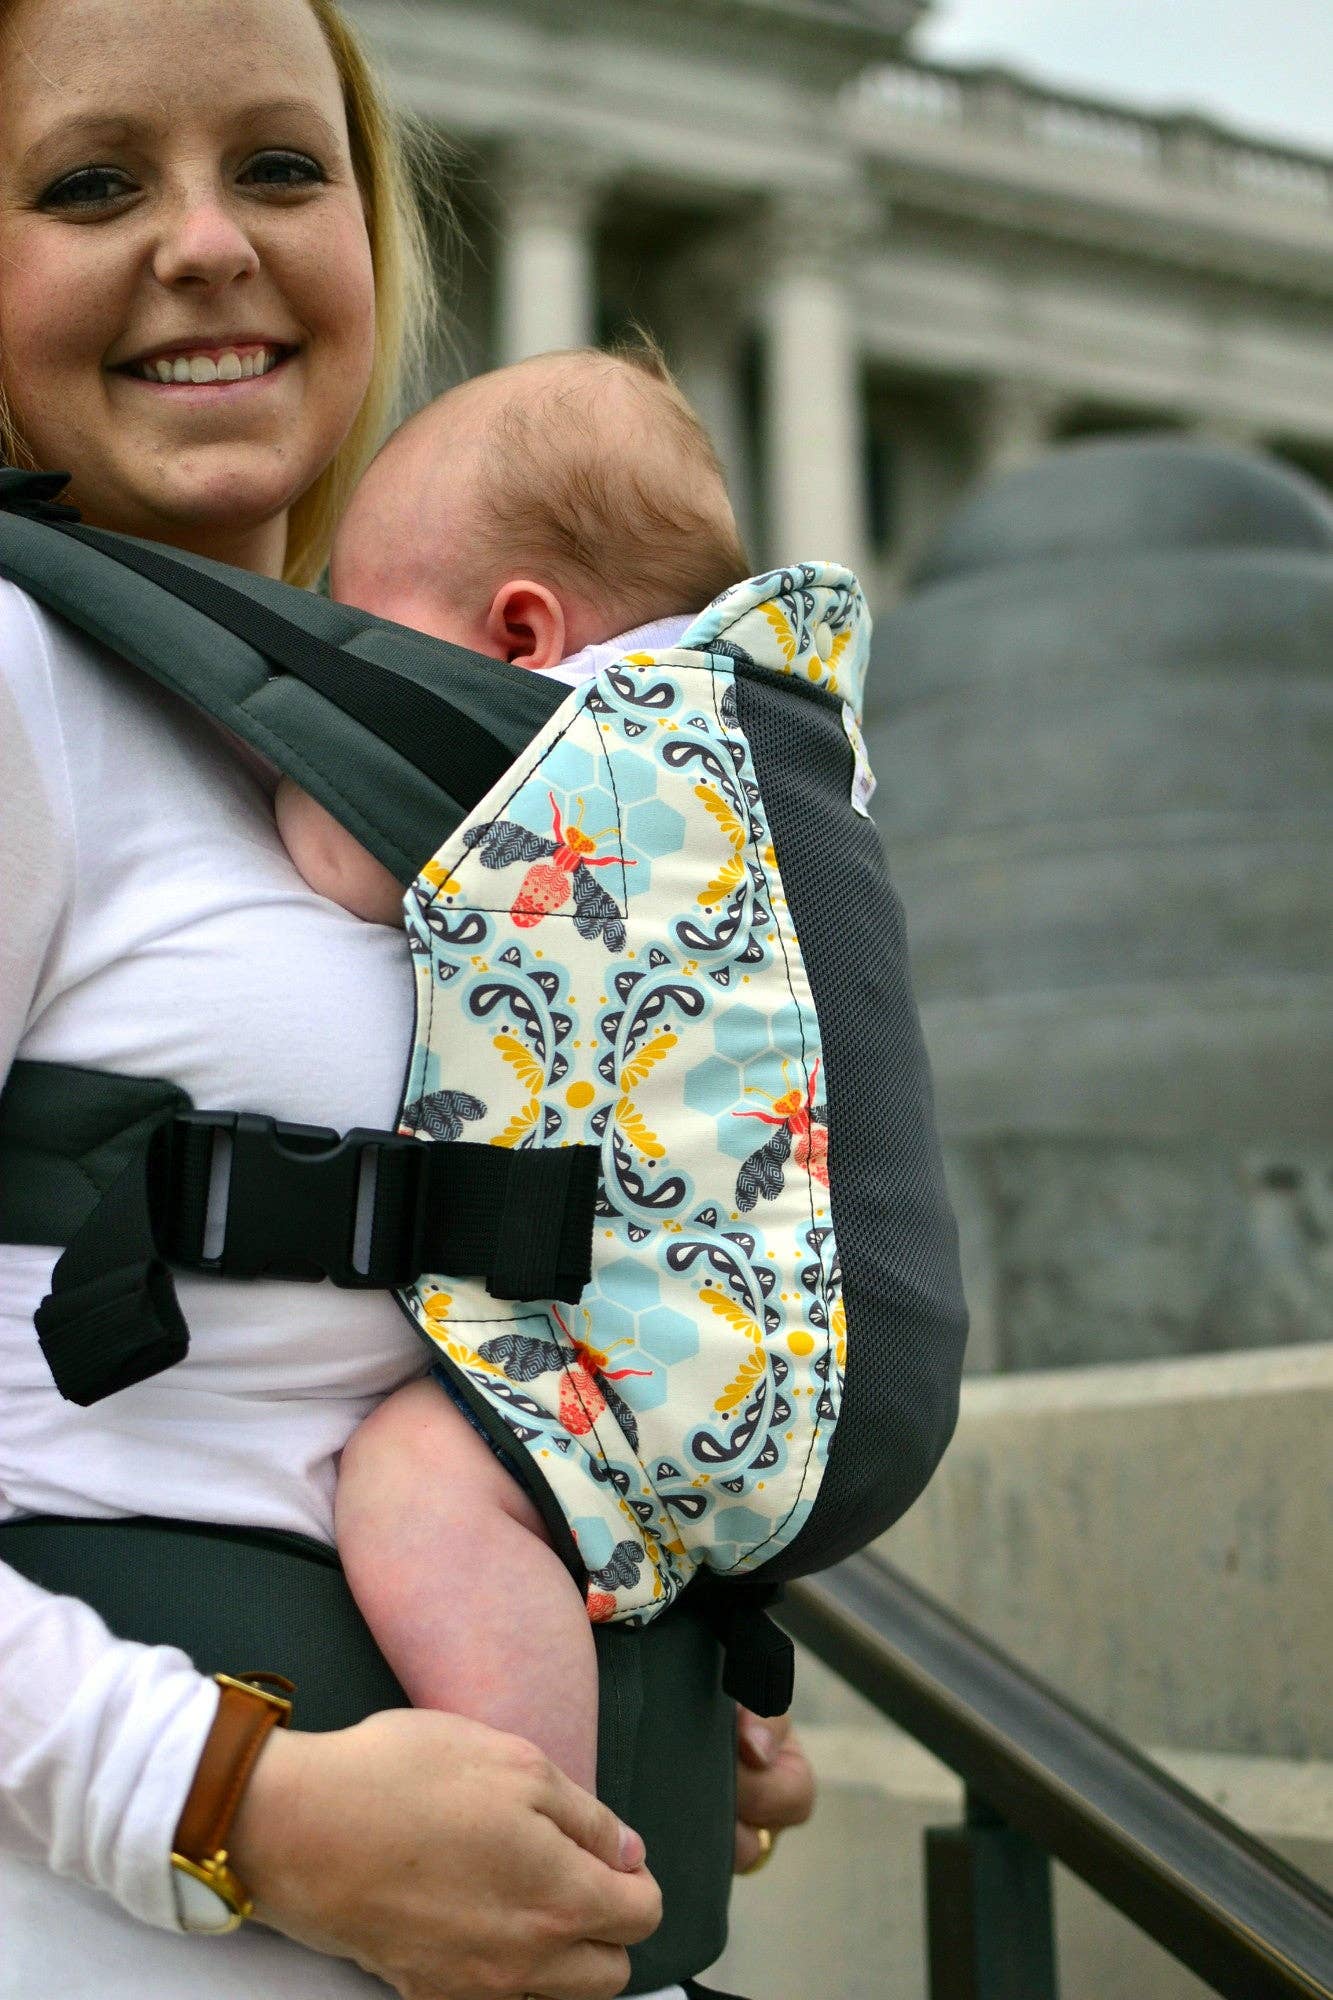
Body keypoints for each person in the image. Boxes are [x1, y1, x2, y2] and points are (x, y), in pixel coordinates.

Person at [0, 3, 813, 1996]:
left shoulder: (439, 735)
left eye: (283, 167)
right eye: (93, 183)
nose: (210, 241)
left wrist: (613, 1644)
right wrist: (233, 1802)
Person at [272, 343, 752, 1792]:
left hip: (656, 1335)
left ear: (521, 635)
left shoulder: (556, 759)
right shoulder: (754, 741)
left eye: (363, 630)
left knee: (417, 1481)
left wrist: (281, 742)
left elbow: (343, 855)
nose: (347, 660)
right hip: (765, 1328)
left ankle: (536, 1831)